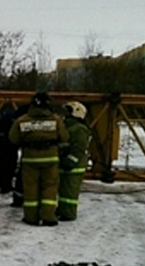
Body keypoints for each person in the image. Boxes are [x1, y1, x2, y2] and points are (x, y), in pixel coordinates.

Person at [9, 92, 69, 226]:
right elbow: (64, 137)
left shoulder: (22, 120)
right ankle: (48, 217)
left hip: (30, 160)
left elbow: (13, 139)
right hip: (50, 159)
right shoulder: (56, 120)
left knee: (30, 189)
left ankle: (31, 218)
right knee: (49, 187)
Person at [56, 101, 91, 221]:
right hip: (67, 162)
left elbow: (79, 148)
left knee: (70, 191)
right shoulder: (68, 126)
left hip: (74, 165)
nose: (66, 114)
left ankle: (68, 213)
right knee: (64, 189)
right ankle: (62, 210)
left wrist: (70, 161)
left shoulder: (79, 129)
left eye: (69, 111)